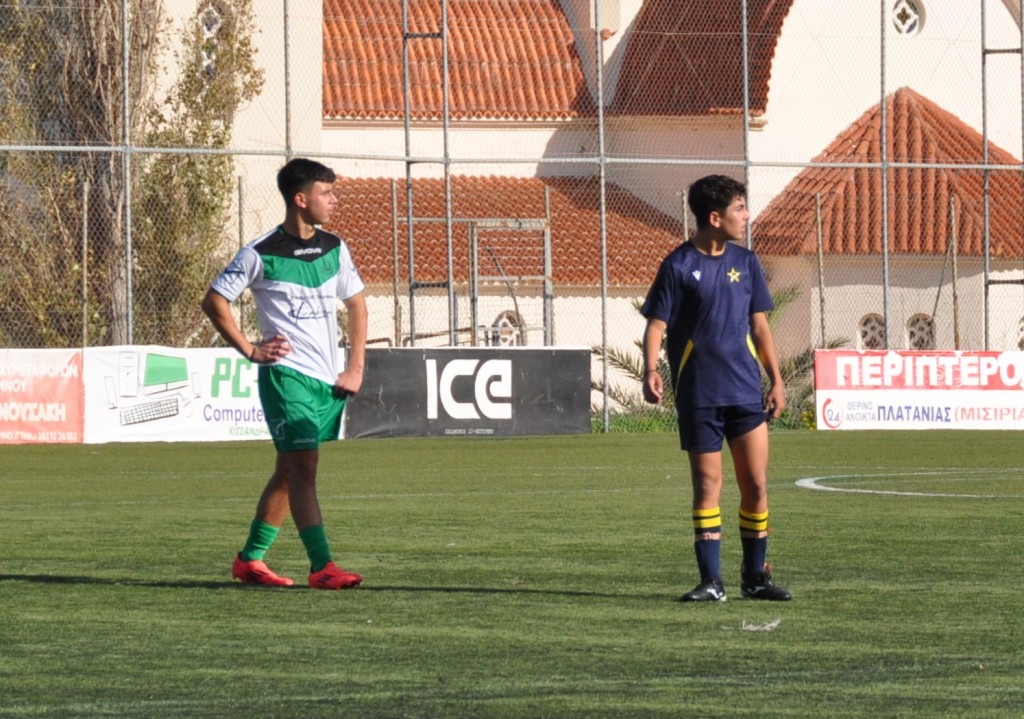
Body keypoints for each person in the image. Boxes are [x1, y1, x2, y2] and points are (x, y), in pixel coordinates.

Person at [201, 157, 368, 590]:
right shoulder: (259, 252)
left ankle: (250, 560)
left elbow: (356, 304)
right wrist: (250, 349)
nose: (333, 200)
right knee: (304, 468)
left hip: (325, 381)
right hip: (285, 376)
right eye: (325, 193)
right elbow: (215, 301)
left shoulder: (334, 247)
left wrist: (355, 367)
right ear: (300, 199)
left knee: (290, 472)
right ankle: (322, 566)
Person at [641, 174, 791, 602]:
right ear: (714, 218)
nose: (746, 216)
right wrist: (650, 369)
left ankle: (755, 577)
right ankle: (711, 581)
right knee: (708, 484)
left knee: (755, 484)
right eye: (739, 209)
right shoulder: (677, 265)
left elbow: (760, 327)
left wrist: (777, 381)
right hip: (699, 395)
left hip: (745, 392)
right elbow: (656, 325)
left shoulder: (747, 262)